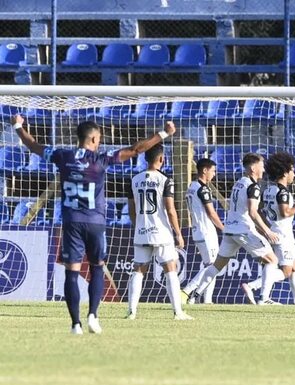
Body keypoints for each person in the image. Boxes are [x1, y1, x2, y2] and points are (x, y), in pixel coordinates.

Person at [11, 113, 176, 334]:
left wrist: (18, 126)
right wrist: (164, 132)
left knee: (72, 271)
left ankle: (75, 324)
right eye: (99, 138)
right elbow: (136, 149)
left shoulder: (63, 155)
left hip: (71, 222)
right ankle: (93, 316)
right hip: (96, 223)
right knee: (97, 267)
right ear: (94, 139)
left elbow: (33, 146)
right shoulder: (101, 159)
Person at [180, 153, 281, 305]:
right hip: (243, 230)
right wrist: (267, 230)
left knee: (216, 266)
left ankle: (194, 295)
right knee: (272, 260)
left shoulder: (239, 182)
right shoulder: (253, 187)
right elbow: (253, 212)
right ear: (253, 168)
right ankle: (264, 299)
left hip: (230, 229)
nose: (263, 168)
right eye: (261, 165)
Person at [125, 144, 193, 320]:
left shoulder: (134, 179)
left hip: (141, 230)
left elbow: (131, 209)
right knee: (170, 269)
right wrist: (178, 233)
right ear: (162, 159)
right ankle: (178, 312)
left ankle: (131, 312)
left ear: (145, 158)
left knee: (138, 270)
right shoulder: (165, 180)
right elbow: (170, 210)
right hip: (161, 232)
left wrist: (137, 225)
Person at [241, 152, 295, 305]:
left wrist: (267, 228)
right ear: (284, 172)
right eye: (292, 170)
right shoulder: (282, 192)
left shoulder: (268, 191)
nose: (294, 174)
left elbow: (260, 211)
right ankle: (253, 287)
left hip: (276, 231)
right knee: (286, 270)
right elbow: (285, 212)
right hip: (283, 235)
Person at [180, 158, 225, 304]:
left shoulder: (191, 186)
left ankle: (206, 300)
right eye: (213, 171)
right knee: (213, 266)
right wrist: (224, 229)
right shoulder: (203, 189)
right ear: (205, 170)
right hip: (206, 231)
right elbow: (211, 213)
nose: (214, 174)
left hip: (197, 231)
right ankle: (188, 291)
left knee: (211, 265)